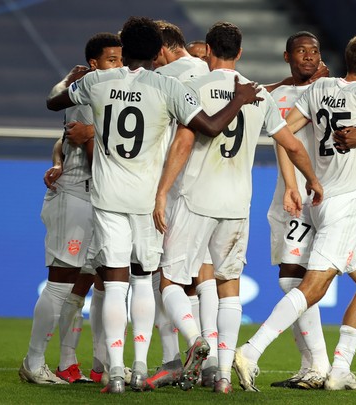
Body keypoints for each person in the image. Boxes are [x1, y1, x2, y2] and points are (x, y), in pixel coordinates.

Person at [46, 16, 262, 394]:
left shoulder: (98, 81)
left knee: (114, 282)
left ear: (124, 49)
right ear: (157, 50)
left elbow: (54, 102)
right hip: (148, 199)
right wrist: (240, 100)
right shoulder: (167, 87)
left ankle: (115, 371)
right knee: (144, 280)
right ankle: (141, 367)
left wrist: (70, 78)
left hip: (107, 196)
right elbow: (209, 127)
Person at [233, 31, 356, 392]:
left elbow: (284, 132)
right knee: (314, 286)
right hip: (344, 202)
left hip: (325, 200)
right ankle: (250, 350)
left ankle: (339, 370)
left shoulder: (318, 90)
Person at [152, 21, 323, 394]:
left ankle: (197, 339)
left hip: (196, 198)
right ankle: (224, 376)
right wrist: (312, 179)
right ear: (240, 52)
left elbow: (183, 143)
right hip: (237, 204)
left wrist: (162, 191)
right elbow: (292, 145)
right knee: (229, 284)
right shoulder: (259, 93)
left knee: (170, 279)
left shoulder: (193, 88)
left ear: (208, 51)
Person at [19, 32, 122, 385]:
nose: (118, 65)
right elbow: (76, 136)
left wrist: (62, 156)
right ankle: (33, 362)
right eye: (111, 59)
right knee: (61, 282)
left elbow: (65, 140)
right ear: (94, 64)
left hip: (99, 200)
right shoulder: (89, 93)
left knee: (90, 281)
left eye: (121, 59)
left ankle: (75, 362)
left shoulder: (113, 95)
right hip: (77, 195)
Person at [144, 20, 220, 390]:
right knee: (200, 276)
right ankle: (210, 366)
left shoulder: (162, 79)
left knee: (164, 277)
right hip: (215, 189)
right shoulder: (209, 70)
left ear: (161, 50)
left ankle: (174, 357)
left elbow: (179, 135)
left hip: (175, 187)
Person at [264, 31, 332, 390]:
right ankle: (311, 366)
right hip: (288, 196)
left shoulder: (330, 89)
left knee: (296, 278)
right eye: (301, 52)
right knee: (292, 277)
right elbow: (253, 93)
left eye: (314, 51)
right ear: (287, 56)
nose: (309, 56)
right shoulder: (275, 95)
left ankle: (321, 364)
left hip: (321, 195)